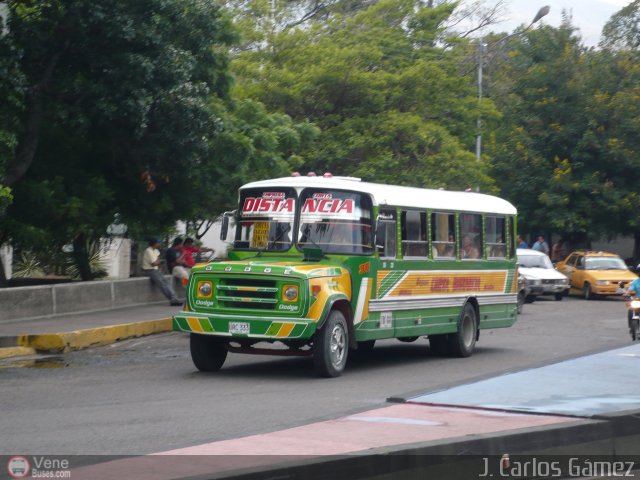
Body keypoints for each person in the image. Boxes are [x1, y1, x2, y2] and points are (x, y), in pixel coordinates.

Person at [142, 238, 182, 306]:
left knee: (167, 282)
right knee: (162, 283)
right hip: (149, 270)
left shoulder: (156, 250)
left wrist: (157, 262)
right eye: (158, 243)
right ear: (154, 244)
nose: (159, 244)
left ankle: (174, 298)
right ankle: (173, 300)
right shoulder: (149, 251)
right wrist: (157, 262)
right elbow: (154, 263)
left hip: (155, 269)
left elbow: (158, 260)